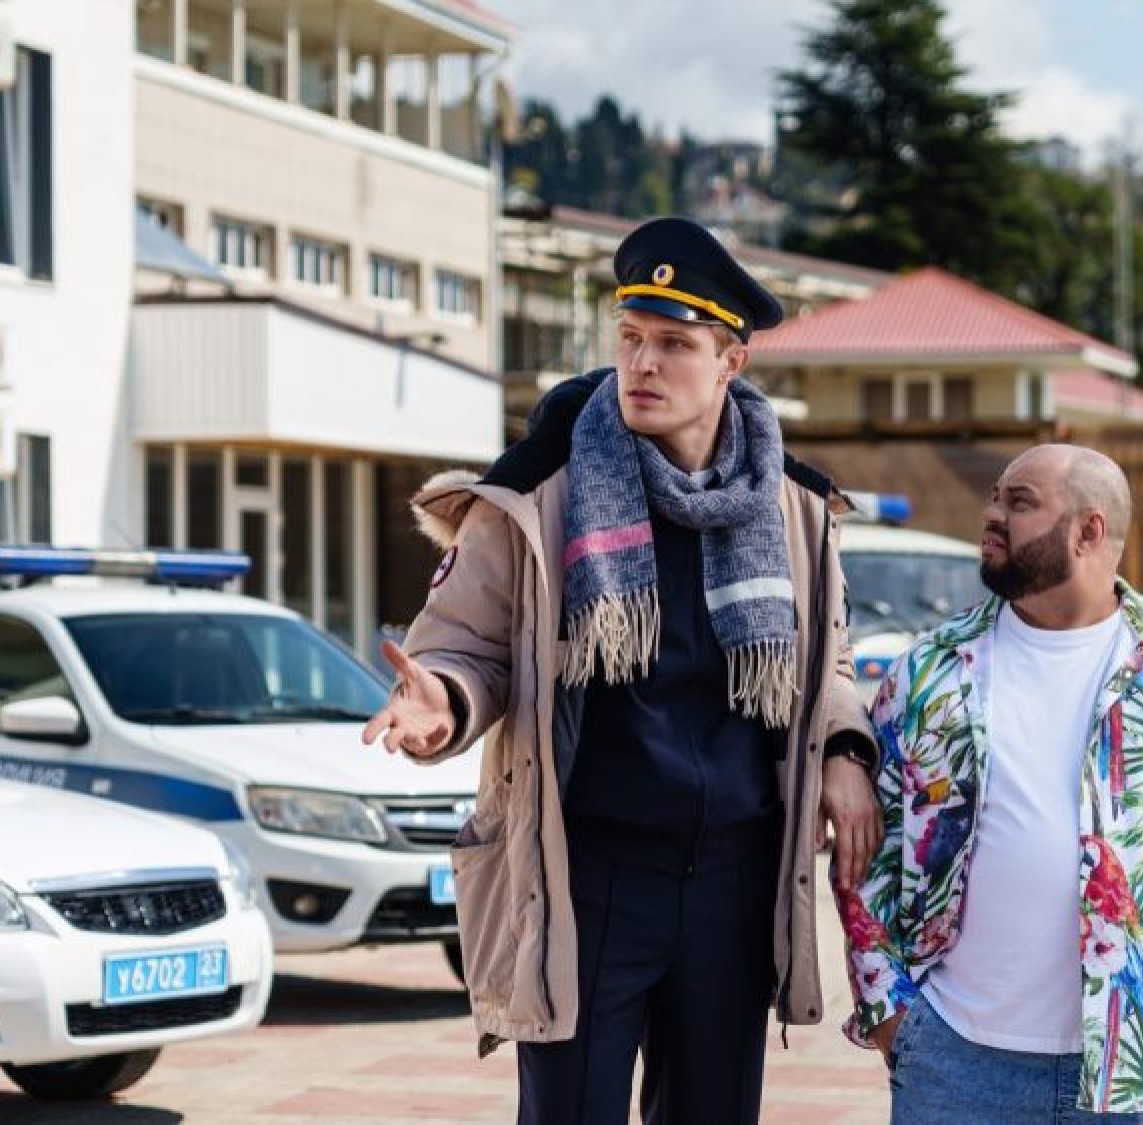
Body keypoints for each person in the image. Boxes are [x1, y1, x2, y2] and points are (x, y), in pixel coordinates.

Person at [361, 216, 881, 1125]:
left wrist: (843, 749)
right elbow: (465, 646)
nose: (643, 363)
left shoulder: (795, 507)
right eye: (631, 338)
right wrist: (440, 700)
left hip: (735, 879)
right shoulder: (539, 490)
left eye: (674, 344)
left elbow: (825, 659)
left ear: (731, 362)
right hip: (589, 875)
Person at [835, 443, 1143, 1123]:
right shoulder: (930, 670)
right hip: (955, 1063)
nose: (992, 515)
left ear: (1088, 530)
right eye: (994, 497)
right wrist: (890, 1013)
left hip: (1136, 1065)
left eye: (1019, 502)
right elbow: (868, 846)